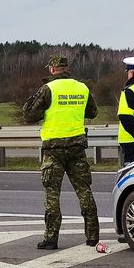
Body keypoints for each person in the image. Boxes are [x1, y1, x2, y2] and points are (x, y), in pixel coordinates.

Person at [22, 55, 99, 250]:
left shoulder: (48, 89)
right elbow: (92, 112)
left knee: (52, 194)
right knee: (84, 191)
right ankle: (92, 236)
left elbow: (29, 114)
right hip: (77, 147)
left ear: (52, 69)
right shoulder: (82, 88)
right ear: (67, 68)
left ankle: (51, 238)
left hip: (54, 149)